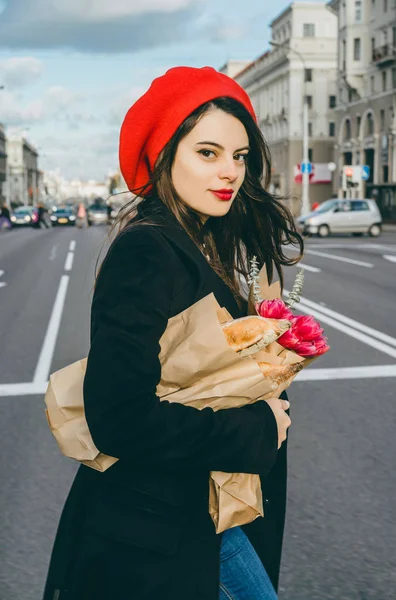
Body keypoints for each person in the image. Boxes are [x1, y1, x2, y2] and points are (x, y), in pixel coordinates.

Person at [43, 66, 303, 600]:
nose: (229, 171)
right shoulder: (148, 249)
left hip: (195, 516)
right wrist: (257, 427)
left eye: (240, 156)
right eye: (207, 153)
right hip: (161, 527)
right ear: (166, 155)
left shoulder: (197, 239)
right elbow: (119, 416)